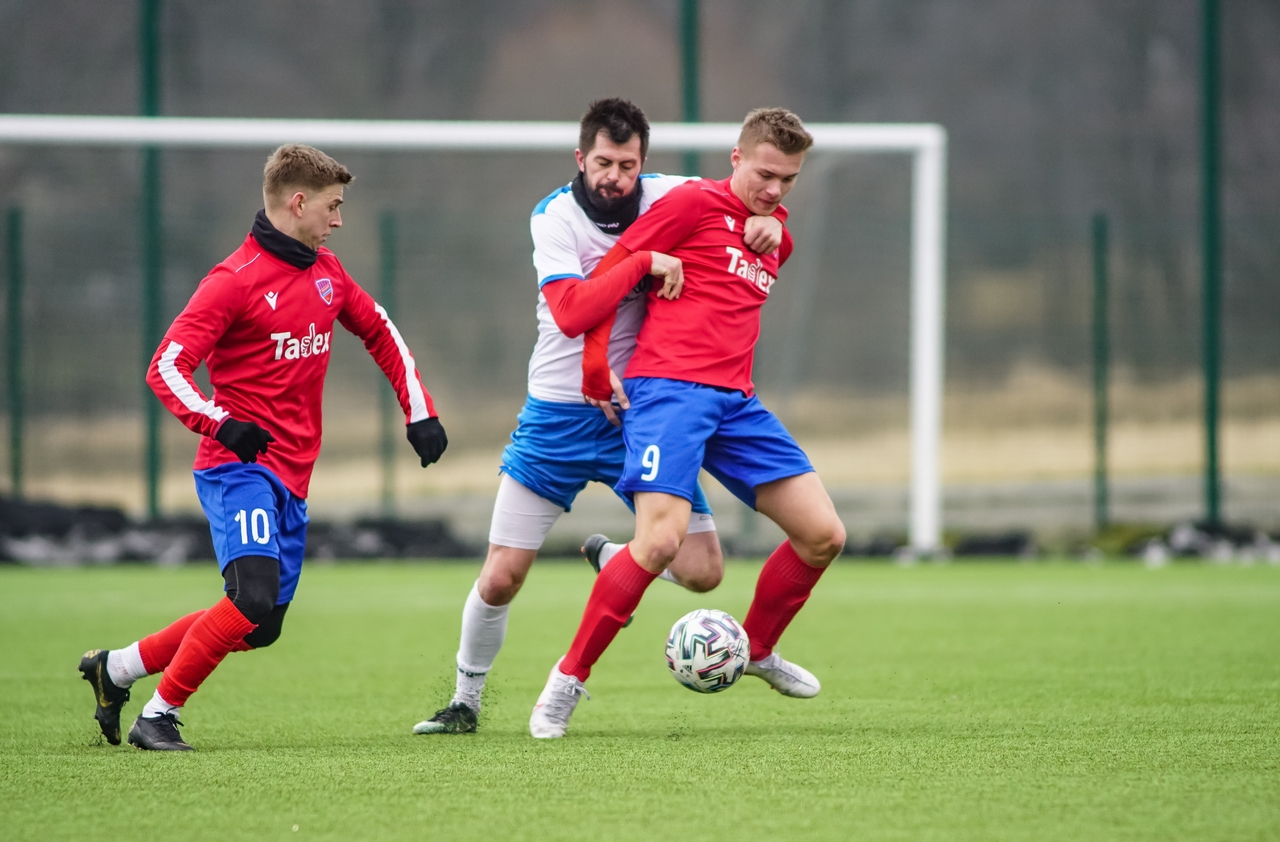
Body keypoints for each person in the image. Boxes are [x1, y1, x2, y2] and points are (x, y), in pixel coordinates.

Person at [412, 98, 782, 735]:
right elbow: (572, 314)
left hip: (637, 415)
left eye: (628, 165)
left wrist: (770, 219)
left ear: (644, 163)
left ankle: (618, 560)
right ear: (580, 158)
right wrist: (643, 262)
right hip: (556, 416)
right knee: (501, 577)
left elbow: (748, 187)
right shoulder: (554, 217)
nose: (615, 176)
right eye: (604, 163)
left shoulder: (670, 195)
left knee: (703, 572)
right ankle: (464, 703)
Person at [78, 144, 448, 751]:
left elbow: (380, 331)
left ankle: (115, 668)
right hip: (238, 467)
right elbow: (166, 366)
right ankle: (158, 716)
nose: (338, 220)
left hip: (293, 475)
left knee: (261, 624)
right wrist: (220, 422)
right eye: (332, 206)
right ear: (298, 202)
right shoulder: (233, 281)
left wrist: (420, 410)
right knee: (249, 596)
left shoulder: (328, 273)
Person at [529, 108, 846, 739]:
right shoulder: (691, 204)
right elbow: (610, 277)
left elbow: (762, 234)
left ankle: (755, 650)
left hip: (738, 404)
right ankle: (565, 682)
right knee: (659, 543)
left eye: (787, 180)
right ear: (736, 158)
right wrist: (595, 365)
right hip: (669, 394)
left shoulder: (776, 237)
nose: (774, 189)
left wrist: (775, 219)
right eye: (764, 175)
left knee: (823, 535)